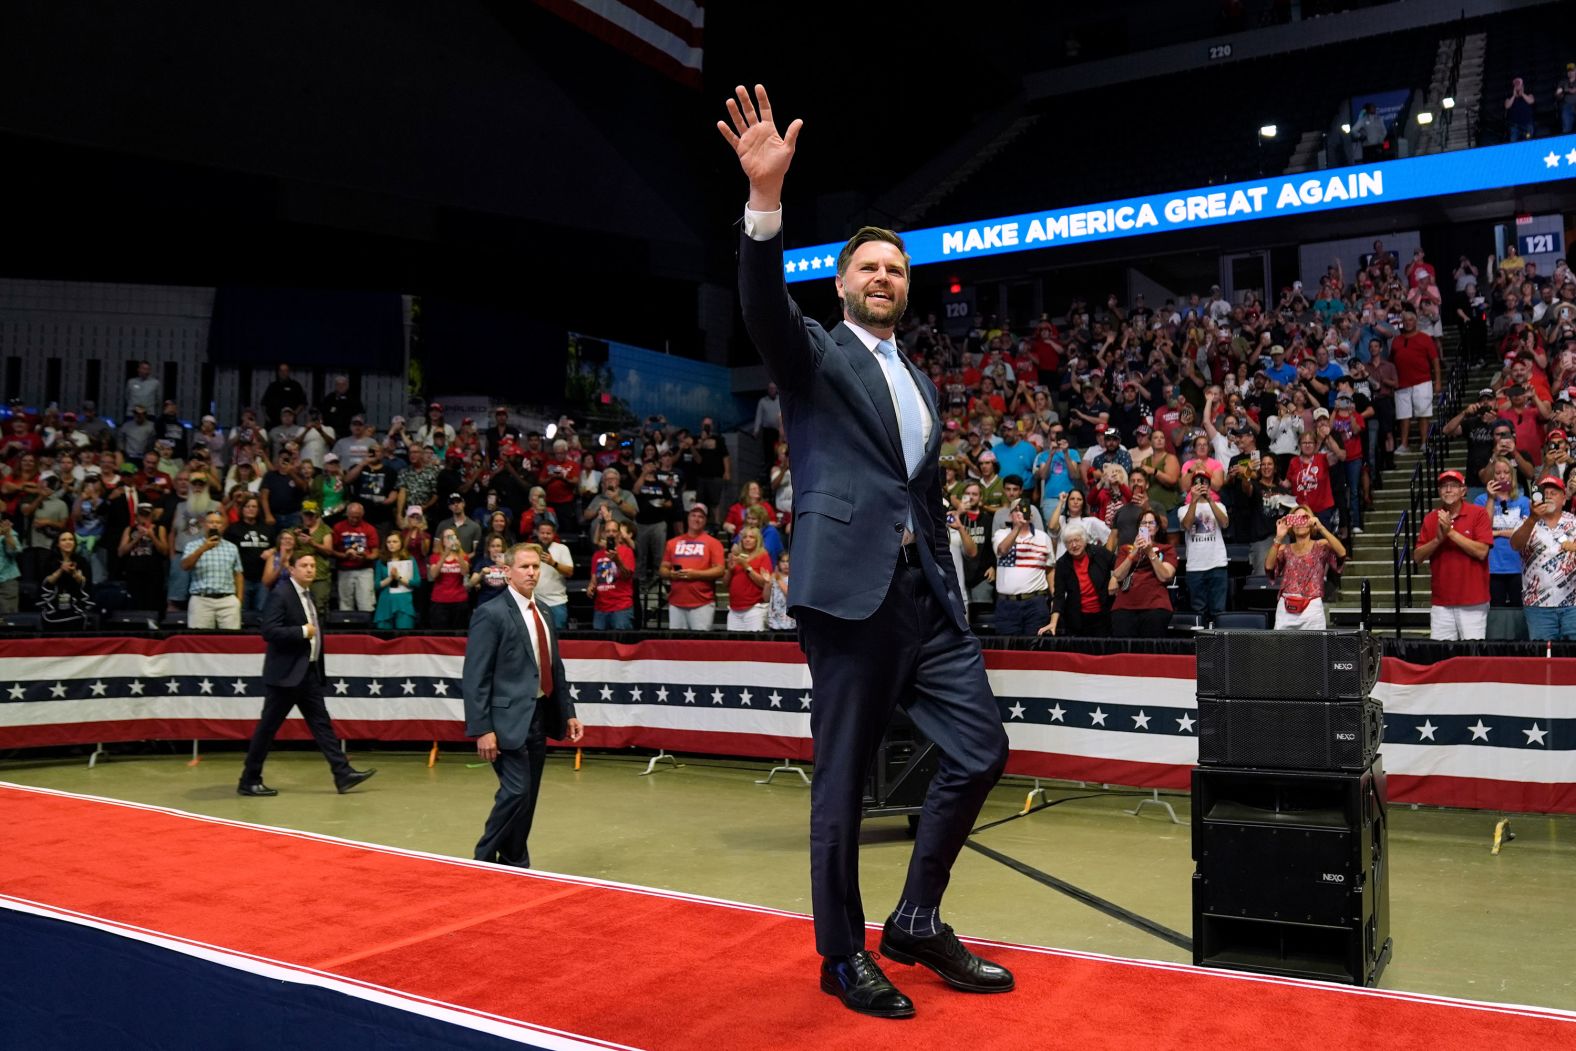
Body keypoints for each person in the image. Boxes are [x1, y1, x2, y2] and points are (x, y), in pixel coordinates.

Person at [725, 83, 1010, 1019]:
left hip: (927, 602)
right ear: (844, 283)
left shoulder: (923, 379)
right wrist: (765, 204)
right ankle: (842, 954)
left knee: (981, 751)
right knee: (843, 782)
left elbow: (916, 490)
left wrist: (946, 569)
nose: (884, 276)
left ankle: (916, 918)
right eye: (869, 267)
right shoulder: (811, 352)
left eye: (896, 268)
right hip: (849, 594)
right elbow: (763, 305)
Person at [463, 543, 585, 867]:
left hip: (540, 716)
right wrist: (482, 728)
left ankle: (515, 860)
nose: (532, 572)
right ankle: (482, 858)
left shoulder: (544, 611)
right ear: (507, 571)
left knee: (527, 798)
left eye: (535, 567)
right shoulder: (490, 614)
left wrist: (568, 712)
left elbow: (554, 667)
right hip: (504, 724)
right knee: (516, 791)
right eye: (524, 567)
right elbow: (475, 676)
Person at [238, 549, 376, 796]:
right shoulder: (281, 594)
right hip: (285, 676)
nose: (310, 569)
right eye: (304, 565)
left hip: (307, 673)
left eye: (312, 565)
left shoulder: (306, 595)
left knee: (322, 725)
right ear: (292, 569)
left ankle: (342, 773)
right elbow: (268, 631)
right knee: (267, 728)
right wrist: (302, 631)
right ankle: (249, 779)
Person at [1413, 470, 1492, 640]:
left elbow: (1482, 552)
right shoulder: (1431, 518)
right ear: (1439, 491)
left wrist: (1450, 533)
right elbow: (1417, 557)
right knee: (1441, 658)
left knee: (1472, 656)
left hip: (1473, 601)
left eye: (1453, 485)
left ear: (1463, 491)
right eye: (1444, 486)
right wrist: (1437, 540)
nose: (1448, 489)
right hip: (1442, 603)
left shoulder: (1478, 514)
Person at [1510, 474, 1576, 638]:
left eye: (1554, 492)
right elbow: (1515, 545)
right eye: (1544, 492)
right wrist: (1533, 519)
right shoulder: (1526, 521)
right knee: (1543, 658)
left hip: (1573, 605)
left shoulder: (1574, 522)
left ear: (1564, 498)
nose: (1548, 495)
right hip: (1538, 605)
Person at [1264, 505, 1346, 629]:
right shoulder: (1283, 549)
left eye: (1304, 518)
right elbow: (1269, 568)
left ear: (1311, 520)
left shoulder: (1321, 546)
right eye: (1295, 519)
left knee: (1314, 648)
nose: (1300, 522)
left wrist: (1321, 528)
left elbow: (1342, 553)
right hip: (1286, 608)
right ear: (1291, 523)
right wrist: (1279, 538)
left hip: (1312, 608)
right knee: (1283, 648)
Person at [1108, 509, 1177, 637]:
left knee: (1150, 649)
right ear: (1138, 528)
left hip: (1156, 605)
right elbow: (1118, 575)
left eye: (1151, 523)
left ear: (1157, 528)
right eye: (1143, 523)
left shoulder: (1166, 549)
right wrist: (1134, 551)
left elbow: (1165, 576)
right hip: (1125, 605)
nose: (1147, 526)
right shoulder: (1125, 549)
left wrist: (1150, 552)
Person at [1041, 521, 1114, 636]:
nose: (1074, 545)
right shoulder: (1062, 563)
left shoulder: (1099, 553)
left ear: (1084, 540)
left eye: (1077, 540)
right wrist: (1053, 622)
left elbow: (1120, 566)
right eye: (1069, 542)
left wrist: (1115, 578)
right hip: (1077, 620)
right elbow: (1059, 596)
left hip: (1104, 616)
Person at [990, 501, 1052, 635]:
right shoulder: (1001, 534)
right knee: (1007, 652)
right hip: (1006, 605)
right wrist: (1017, 528)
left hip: (1035, 603)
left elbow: (1050, 569)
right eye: (1016, 510)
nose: (1020, 513)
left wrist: (1054, 600)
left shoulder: (1043, 538)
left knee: (1035, 652)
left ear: (1031, 515)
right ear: (1010, 515)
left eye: (1024, 509)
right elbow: (1002, 550)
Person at [1477, 457, 1531, 609]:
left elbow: (1525, 532)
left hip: (1518, 564)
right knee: (1496, 610)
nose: (1502, 476)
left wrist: (1496, 533)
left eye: (1506, 472)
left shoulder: (1524, 501)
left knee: (1519, 609)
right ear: (1491, 476)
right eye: (1498, 472)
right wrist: (1490, 499)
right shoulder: (1481, 500)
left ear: (1511, 475)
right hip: (1493, 565)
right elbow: (1484, 530)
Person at [1180, 470, 1230, 622]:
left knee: (1219, 611)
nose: (1201, 486)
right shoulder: (1183, 509)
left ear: (1209, 486)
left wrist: (1210, 500)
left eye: (1204, 483)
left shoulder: (1220, 506)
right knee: (1198, 612)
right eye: (1197, 483)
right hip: (1195, 567)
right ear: (1192, 487)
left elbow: (1225, 523)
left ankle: (1220, 645)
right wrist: (1194, 501)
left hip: (1217, 564)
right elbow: (1187, 525)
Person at [181, 511, 244, 629]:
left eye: (218, 523)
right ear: (204, 525)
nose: (214, 525)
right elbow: (185, 566)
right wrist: (203, 549)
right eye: (211, 522)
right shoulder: (192, 546)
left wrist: (239, 600)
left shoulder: (232, 547)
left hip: (228, 601)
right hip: (201, 600)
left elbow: (238, 574)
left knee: (232, 640)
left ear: (223, 526)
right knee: (199, 641)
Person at [39, 532, 95, 630]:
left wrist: (74, 573)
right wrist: (61, 570)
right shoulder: (49, 561)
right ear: (58, 544)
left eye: (70, 539)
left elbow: (85, 583)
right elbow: (46, 582)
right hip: (54, 605)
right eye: (64, 540)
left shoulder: (82, 561)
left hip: (75, 605)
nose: (68, 542)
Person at [331, 502, 379, 613]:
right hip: (344, 569)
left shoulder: (369, 528)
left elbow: (376, 553)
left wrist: (366, 557)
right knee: (345, 604)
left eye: (357, 517)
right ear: (347, 514)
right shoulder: (338, 527)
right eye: (352, 517)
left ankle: (367, 628)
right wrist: (345, 555)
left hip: (365, 569)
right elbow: (331, 550)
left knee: (366, 603)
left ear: (362, 515)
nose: (354, 520)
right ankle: (347, 628)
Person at [723, 524, 774, 631]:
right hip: (734, 609)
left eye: (751, 537)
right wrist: (730, 570)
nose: (747, 540)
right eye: (745, 537)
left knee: (755, 645)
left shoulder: (763, 556)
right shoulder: (736, 556)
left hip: (754, 609)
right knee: (732, 645)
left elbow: (764, 583)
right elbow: (725, 584)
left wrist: (746, 566)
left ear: (757, 540)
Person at [373, 530, 422, 629]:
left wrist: (398, 577)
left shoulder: (410, 559)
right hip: (385, 602)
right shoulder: (381, 561)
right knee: (384, 637)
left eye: (395, 541)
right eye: (389, 542)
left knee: (404, 636)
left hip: (403, 602)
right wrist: (391, 577)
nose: (391, 544)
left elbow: (417, 582)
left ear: (401, 543)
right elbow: (377, 585)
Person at [471, 534, 514, 608]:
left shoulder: (509, 563)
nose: (496, 549)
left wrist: (506, 567)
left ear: (502, 548)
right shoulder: (482, 563)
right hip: (485, 602)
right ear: (488, 548)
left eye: (498, 546)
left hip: (504, 603)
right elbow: (471, 583)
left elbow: (516, 582)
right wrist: (481, 573)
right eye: (493, 546)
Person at [766, 550, 795, 631]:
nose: (786, 564)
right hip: (775, 621)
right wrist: (767, 583)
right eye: (783, 561)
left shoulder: (796, 577)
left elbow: (790, 596)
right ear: (778, 563)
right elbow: (766, 598)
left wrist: (779, 580)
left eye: (788, 561)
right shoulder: (773, 576)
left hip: (790, 621)